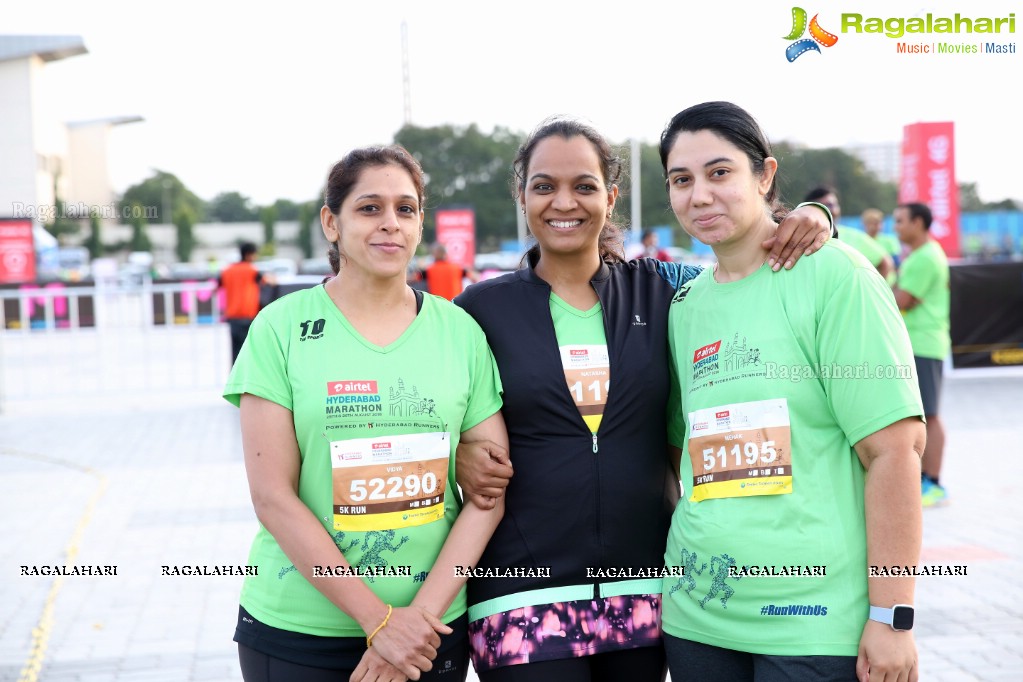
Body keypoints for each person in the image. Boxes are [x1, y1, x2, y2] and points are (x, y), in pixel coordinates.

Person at [452, 116, 834, 682]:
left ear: (609, 196)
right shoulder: (478, 311)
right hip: (521, 599)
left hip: (647, 588)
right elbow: (425, 408)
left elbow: (744, 260)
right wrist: (454, 450)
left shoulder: (665, 290)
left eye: (584, 186)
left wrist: (815, 216)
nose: (565, 202)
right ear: (522, 195)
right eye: (544, 186)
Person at [659, 101, 924, 682]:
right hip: (698, 620)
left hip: (814, 623)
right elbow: (684, 454)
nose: (700, 195)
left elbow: (893, 454)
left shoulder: (837, 277)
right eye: (682, 180)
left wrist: (893, 615)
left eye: (720, 172)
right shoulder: (683, 306)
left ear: (765, 175)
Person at [223, 145, 508, 682]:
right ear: (332, 223)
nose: (390, 225)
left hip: (431, 631)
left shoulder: (460, 332)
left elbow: (489, 496)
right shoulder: (280, 328)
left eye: (406, 209)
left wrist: (416, 622)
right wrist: (378, 621)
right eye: (369, 208)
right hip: (298, 633)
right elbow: (272, 497)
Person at [892, 202, 951, 507]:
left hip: (923, 344)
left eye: (900, 221)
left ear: (918, 223)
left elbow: (902, 299)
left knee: (930, 414)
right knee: (924, 412)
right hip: (920, 343)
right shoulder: (920, 255)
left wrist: (872, 287)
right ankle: (925, 479)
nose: (896, 227)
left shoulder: (925, 257)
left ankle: (934, 482)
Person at [805, 186, 895, 283]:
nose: (830, 210)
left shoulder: (853, 236)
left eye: (832, 205)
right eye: (823, 205)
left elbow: (885, 263)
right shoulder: (801, 240)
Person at [218, 242, 274, 363]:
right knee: (249, 351)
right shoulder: (251, 270)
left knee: (235, 351)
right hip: (248, 315)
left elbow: (217, 285)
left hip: (232, 316)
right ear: (249, 255)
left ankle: (235, 377)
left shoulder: (227, 270)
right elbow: (268, 281)